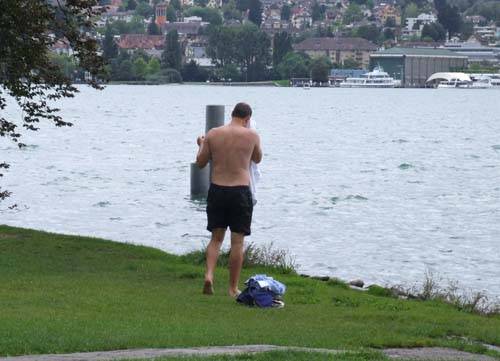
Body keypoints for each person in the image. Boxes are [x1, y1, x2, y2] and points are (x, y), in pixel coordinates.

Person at [195, 102, 262, 297]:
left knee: (216, 239)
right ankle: (232, 288)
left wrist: (201, 145)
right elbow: (257, 159)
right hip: (240, 191)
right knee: (237, 243)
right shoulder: (252, 136)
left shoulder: (213, 134)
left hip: (218, 189)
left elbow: (200, 163)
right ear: (247, 119)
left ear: (232, 114)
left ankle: (209, 275)